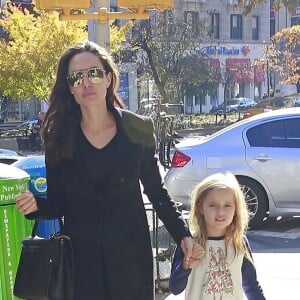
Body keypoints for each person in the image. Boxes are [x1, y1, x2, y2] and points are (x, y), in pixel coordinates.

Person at [15, 40, 196, 300]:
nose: (87, 83)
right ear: (70, 89)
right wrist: (35, 206)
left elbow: (157, 193)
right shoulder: (58, 138)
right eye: (77, 78)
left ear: (109, 78)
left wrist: (183, 235)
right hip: (80, 263)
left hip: (131, 260)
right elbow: (57, 204)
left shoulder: (139, 129)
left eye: (95, 73)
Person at [169, 172, 265, 300]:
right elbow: (175, 288)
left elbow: (251, 285)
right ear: (200, 207)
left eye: (227, 205)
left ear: (236, 208)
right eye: (213, 205)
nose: (220, 212)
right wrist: (185, 265)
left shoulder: (239, 242)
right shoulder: (190, 243)